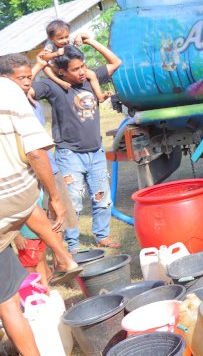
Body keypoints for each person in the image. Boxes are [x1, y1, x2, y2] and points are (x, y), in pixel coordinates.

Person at [0, 76, 64, 356]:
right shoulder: (8, 91)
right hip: (18, 201)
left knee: (8, 303)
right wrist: (53, 196)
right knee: (9, 303)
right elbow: (35, 150)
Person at [32, 36, 123, 253]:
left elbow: (115, 62)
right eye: (75, 69)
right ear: (62, 72)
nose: (81, 71)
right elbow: (26, 89)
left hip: (96, 152)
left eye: (82, 66)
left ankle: (102, 236)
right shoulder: (54, 87)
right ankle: (72, 245)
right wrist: (39, 65)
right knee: (72, 202)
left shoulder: (90, 81)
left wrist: (91, 42)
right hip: (69, 155)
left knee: (102, 197)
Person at [0, 54, 80, 285]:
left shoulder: (17, 94)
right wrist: (54, 197)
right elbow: (36, 151)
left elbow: (36, 152)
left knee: (8, 296)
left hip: (22, 182)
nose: (27, 82)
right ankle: (63, 258)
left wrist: (54, 196)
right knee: (28, 208)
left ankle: (56, 264)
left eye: (29, 77)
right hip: (22, 186)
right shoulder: (13, 95)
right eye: (22, 78)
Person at [40, 21, 110, 103]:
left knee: (92, 74)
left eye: (66, 37)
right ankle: (60, 81)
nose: (65, 40)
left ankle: (100, 96)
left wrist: (79, 36)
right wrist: (56, 53)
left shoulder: (70, 40)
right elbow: (44, 57)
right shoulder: (50, 44)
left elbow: (87, 36)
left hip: (72, 69)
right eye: (60, 38)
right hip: (58, 71)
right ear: (52, 38)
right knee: (44, 65)